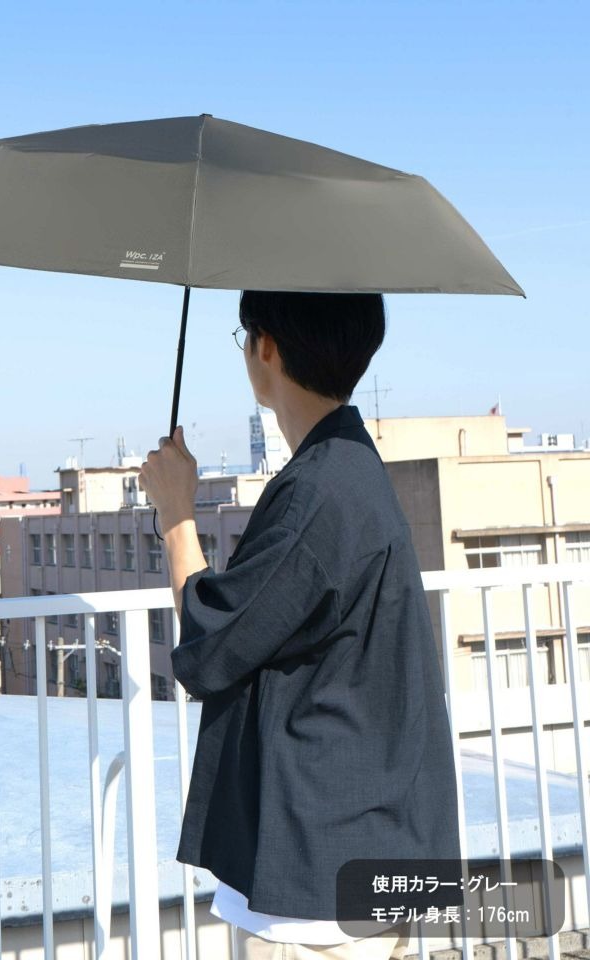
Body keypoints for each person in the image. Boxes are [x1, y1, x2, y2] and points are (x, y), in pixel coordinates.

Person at [136, 291, 462, 960]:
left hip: (319, 879)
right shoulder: (347, 464)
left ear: (267, 347)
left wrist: (176, 515)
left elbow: (211, 645)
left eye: (245, 337)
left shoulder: (318, 490)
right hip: (362, 840)